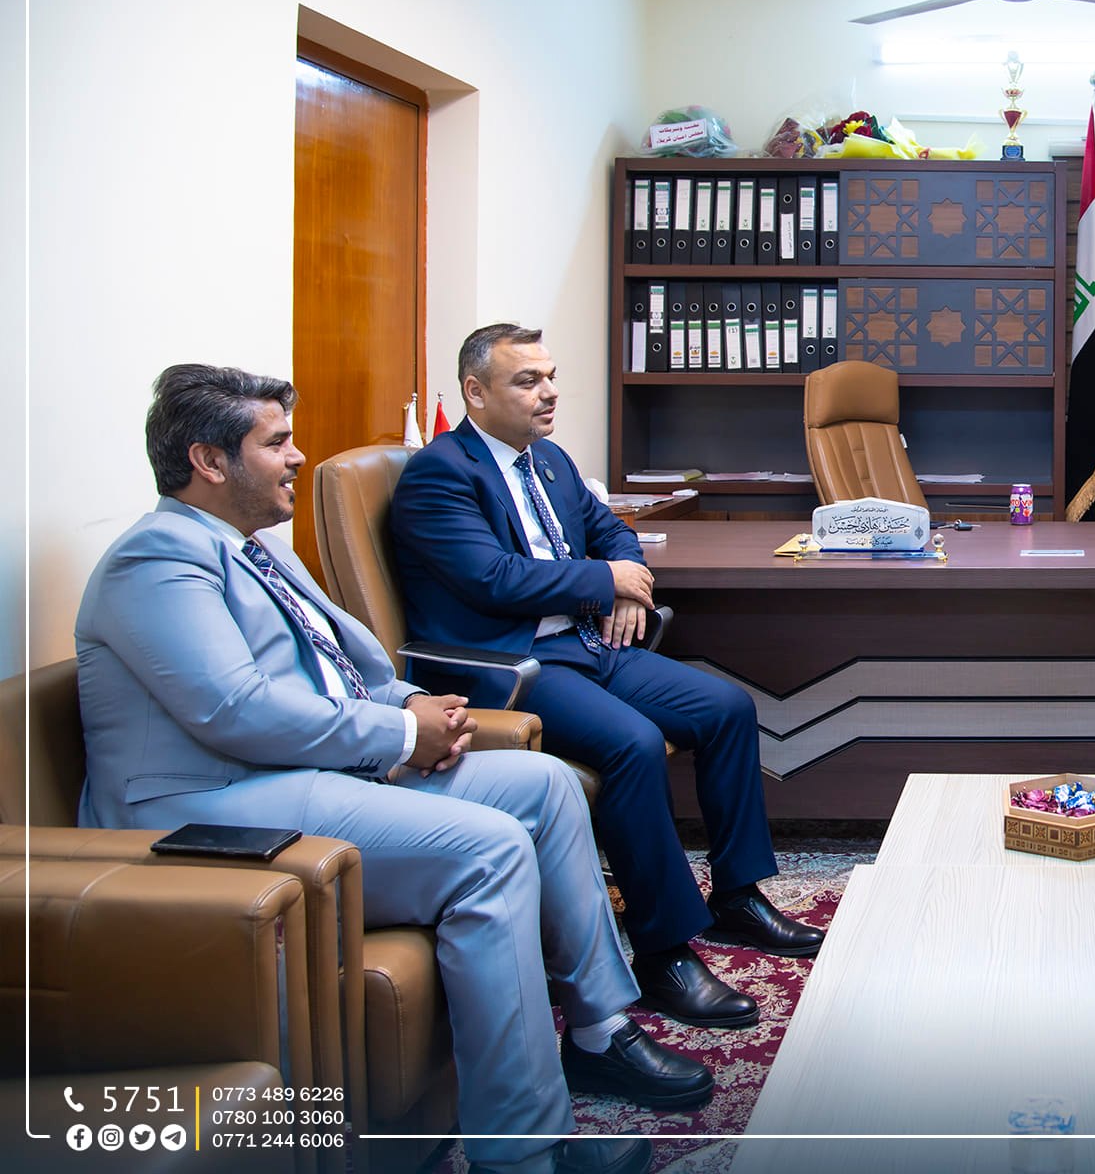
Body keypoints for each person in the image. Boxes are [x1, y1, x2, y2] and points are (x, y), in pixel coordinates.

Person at [75, 364, 708, 1174]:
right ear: (208, 461)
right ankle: (522, 1149)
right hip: (212, 806)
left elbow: (344, 667)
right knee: (489, 848)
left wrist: (413, 702)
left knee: (546, 786)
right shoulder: (158, 559)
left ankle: (598, 1032)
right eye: (276, 443)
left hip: (295, 774)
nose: (298, 457)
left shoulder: (255, 548)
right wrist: (398, 734)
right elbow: (234, 710)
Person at [390, 324, 821, 1033]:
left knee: (725, 706)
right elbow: (492, 579)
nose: (549, 392)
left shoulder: (551, 462)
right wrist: (604, 580)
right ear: (475, 391)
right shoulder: (440, 473)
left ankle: (737, 897)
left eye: (550, 376)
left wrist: (624, 585)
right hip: (512, 665)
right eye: (528, 380)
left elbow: (615, 532)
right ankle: (663, 952)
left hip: (587, 644)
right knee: (632, 743)